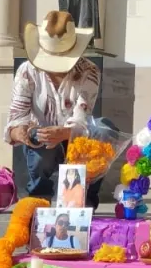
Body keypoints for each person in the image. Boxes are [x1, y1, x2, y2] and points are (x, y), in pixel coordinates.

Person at [6, 11, 102, 207]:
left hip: (78, 140)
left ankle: (85, 198)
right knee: (42, 146)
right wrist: (22, 132)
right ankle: (39, 198)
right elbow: (16, 117)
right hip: (41, 140)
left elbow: (81, 116)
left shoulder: (89, 71)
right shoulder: (27, 71)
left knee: (103, 130)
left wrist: (66, 133)